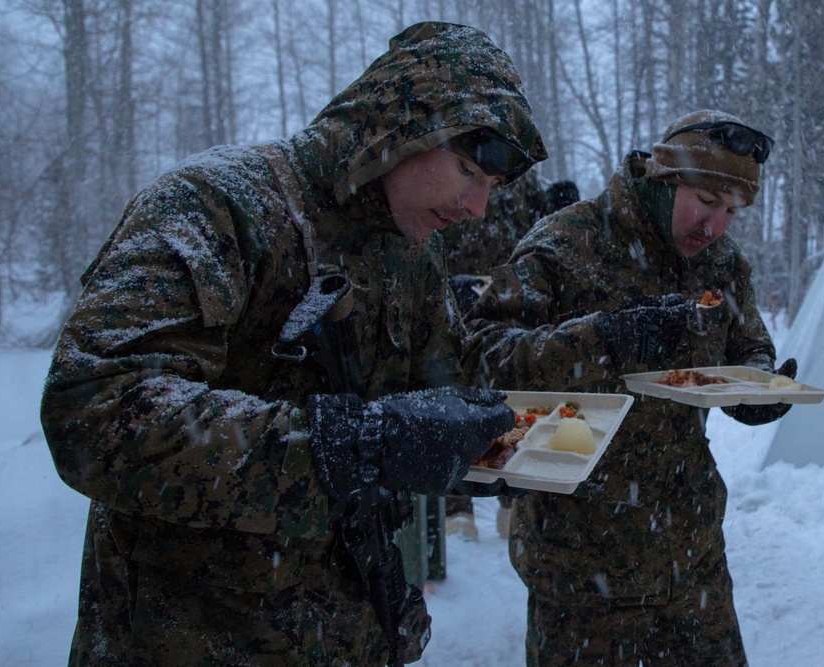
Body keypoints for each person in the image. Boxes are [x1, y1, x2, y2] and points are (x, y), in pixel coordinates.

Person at [40, 21, 546, 667]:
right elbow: (93, 410)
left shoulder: (413, 253)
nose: (476, 206)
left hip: (349, 636)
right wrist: (353, 447)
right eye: (468, 169)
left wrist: (494, 445)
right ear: (399, 126)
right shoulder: (219, 204)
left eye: (492, 188)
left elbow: (447, 390)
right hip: (188, 639)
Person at [462, 109, 796, 666]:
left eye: (733, 212)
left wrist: (759, 387)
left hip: (691, 558)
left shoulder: (722, 264)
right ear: (664, 179)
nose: (715, 225)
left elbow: (747, 346)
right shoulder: (569, 242)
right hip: (579, 565)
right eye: (707, 202)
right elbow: (481, 358)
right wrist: (605, 340)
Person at [441, 172, 580, 541]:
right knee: (456, 406)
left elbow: (536, 226)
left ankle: (508, 500)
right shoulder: (455, 171)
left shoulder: (519, 176)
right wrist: (449, 286)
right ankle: (457, 510)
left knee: (508, 405)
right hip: (453, 305)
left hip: (507, 308)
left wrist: (554, 204)